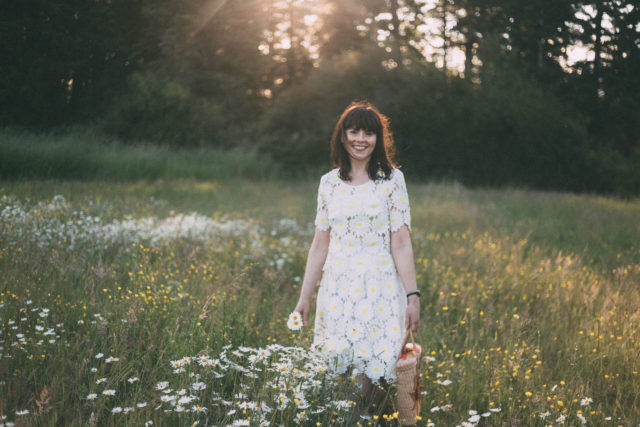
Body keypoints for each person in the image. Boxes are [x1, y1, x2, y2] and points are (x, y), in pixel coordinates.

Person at [294, 101, 420, 418]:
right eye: (354, 131)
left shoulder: (391, 181)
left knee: (368, 369)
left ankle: (361, 416)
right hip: (337, 287)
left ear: (378, 139)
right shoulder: (329, 183)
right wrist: (304, 296)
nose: (360, 139)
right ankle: (350, 416)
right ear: (343, 136)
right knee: (338, 366)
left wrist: (412, 295)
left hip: (378, 287)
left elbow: (401, 243)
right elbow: (320, 244)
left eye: (369, 132)